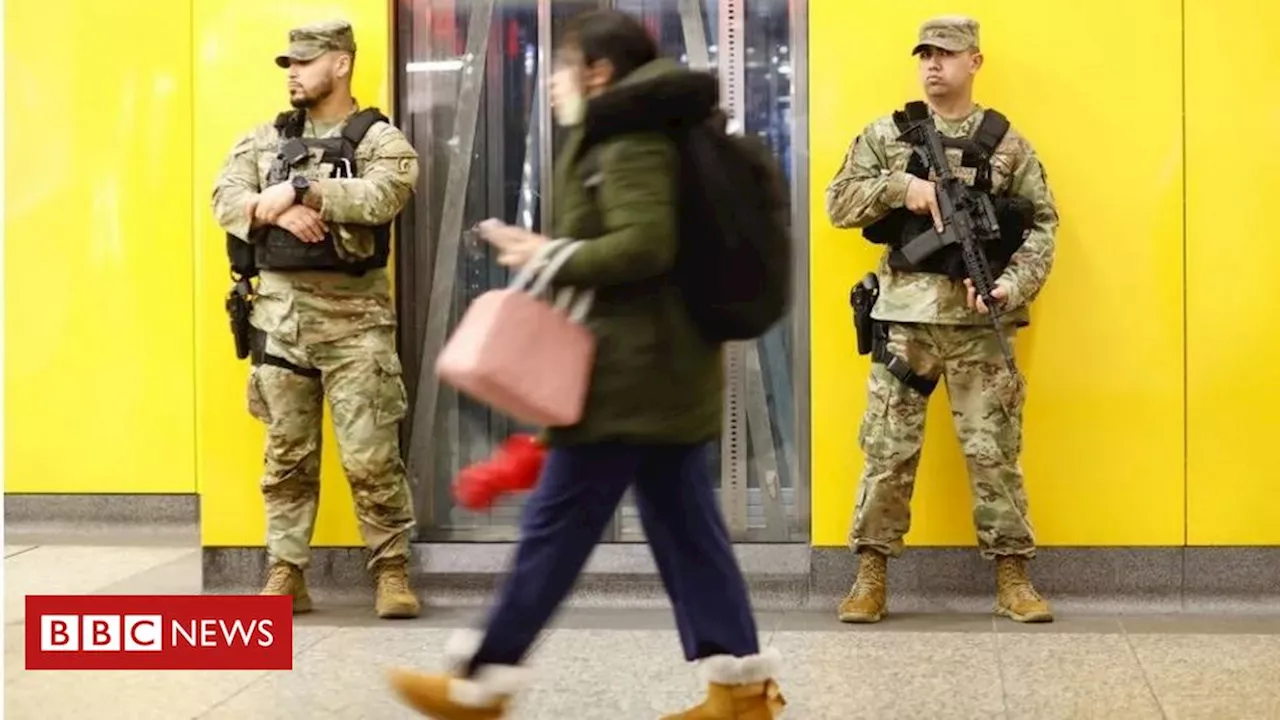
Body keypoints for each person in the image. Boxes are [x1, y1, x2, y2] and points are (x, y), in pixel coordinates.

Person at [386, 10, 786, 720]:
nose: (550, 85)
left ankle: (482, 682)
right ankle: (742, 693)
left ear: (599, 72)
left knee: (555, 528)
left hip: (628, 381)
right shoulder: (644, 128)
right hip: (663, 374)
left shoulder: (627, 137)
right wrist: (547, 249)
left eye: (563, 67)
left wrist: (545, 254)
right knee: (690, 534)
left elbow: (644, 246)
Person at [826, 15, 1059, 624]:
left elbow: (1042, 226)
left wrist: (1010, 285)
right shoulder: (887, 135)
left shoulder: (1007, 144)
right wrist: (903, 188)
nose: (934, 64)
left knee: (994, 452)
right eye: (925, 54)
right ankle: (870, 576)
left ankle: (1013, 577)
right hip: (904, 323)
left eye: (947, 54)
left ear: (974, 61)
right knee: (887, 450)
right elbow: (838, 203)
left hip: (983, 326)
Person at [211, 19, 422, 619]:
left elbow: (384, 195)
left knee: (372, 457)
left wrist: (302, 191)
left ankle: (390, 571)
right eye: (289, 64)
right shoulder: (260, 141)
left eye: (306, 61)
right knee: (286, 458)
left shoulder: (380, 139)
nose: (294, 73)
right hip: (280, 327)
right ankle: (286, 570)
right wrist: (272, 212)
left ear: (342, 63)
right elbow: (224, 199)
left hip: (357, 327)